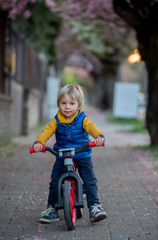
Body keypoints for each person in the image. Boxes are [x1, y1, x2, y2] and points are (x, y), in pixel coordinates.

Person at [33, 84, 107, 223]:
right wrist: (39, 142)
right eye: (63, 103)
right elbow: (47, 131)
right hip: (62, 155)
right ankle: (52, 209)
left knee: (90, 180)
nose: (67, 107)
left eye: (71, 103)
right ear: (58, 104)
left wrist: (98, 136)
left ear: (79, 105)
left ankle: (95, 207)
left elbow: (91, 127)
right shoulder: (56, 120)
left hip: (81, 154)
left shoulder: (82, 119)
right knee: (55, 181)